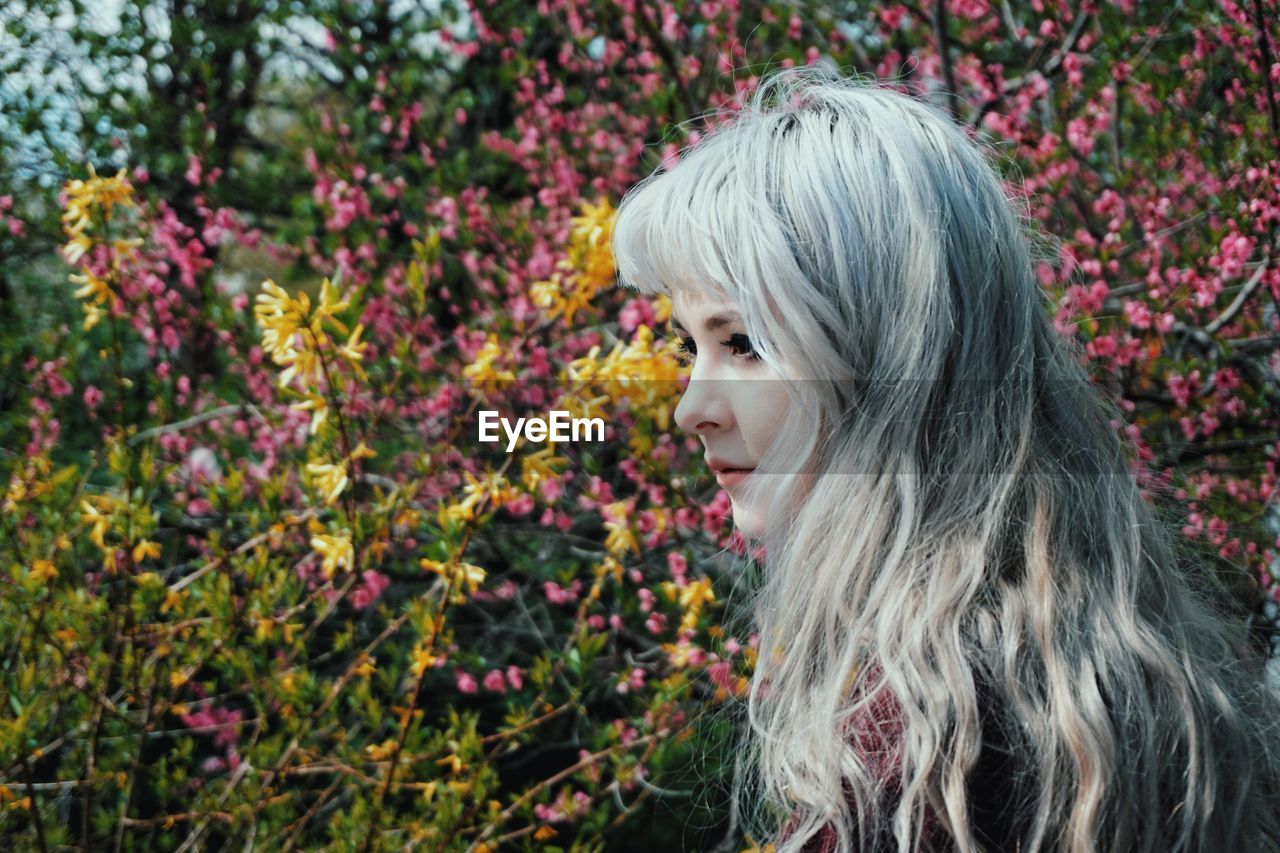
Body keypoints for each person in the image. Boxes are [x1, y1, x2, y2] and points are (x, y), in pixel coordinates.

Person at [609, 66, 1280, 852]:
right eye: (691, 347)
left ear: (892, 359)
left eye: (745, 343)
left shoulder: (918, 756)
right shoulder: (1123, 681)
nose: (692, 408)